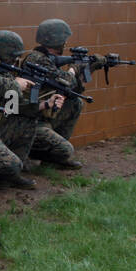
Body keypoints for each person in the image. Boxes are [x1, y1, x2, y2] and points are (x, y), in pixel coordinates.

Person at [0, 30, 63, 188]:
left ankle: (10, 176)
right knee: (12, 165)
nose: (17, 60)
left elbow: (18, 107)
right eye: (14, 56)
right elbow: (0, 85)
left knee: (28, 121)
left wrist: (46, 104)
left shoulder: (5, 72)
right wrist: (17, 84)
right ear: (3, 53)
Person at [24, 18, 85, 169]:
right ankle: (49, 154)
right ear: (56, 40)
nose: (65, 43)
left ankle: (54, 156)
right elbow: (66, 82)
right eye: (64, 40)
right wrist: (73, 69)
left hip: (43, 115)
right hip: (29, 119)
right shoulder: (37, 59)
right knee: (66, 151)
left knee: (75, 102)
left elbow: (71, 91)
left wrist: (85, 72)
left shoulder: (46, 59)